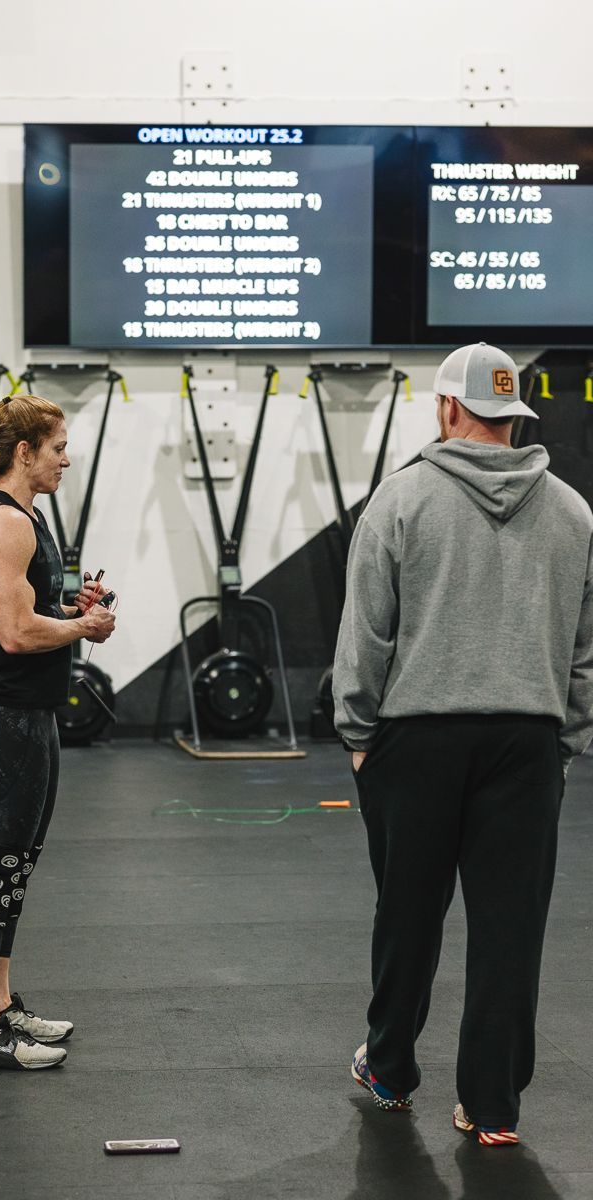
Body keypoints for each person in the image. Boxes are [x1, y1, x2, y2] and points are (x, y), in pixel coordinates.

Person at [332, 343, 593, 1145]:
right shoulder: (575, 513)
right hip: (528, 741)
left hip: (418, 740)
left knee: (407, 916)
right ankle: (493, 1108)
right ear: (515, 414)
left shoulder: (400, 498)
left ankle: (389, 1069)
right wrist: (564, 740)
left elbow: (366, 633)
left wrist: (358, 732)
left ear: (447, 408)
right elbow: (584, 651)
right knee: (512, 929)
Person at [0, 393, 116, 1070]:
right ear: (24, 452)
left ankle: (1, 1003)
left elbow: (24, 610)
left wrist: (71, 610)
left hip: (25, 714)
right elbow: (13, 634)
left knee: (15, 866)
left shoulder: (22, 516)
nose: (66, 460)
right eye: (57, 448)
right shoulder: (6, 522)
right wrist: (83, 627)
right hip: (1, 716)